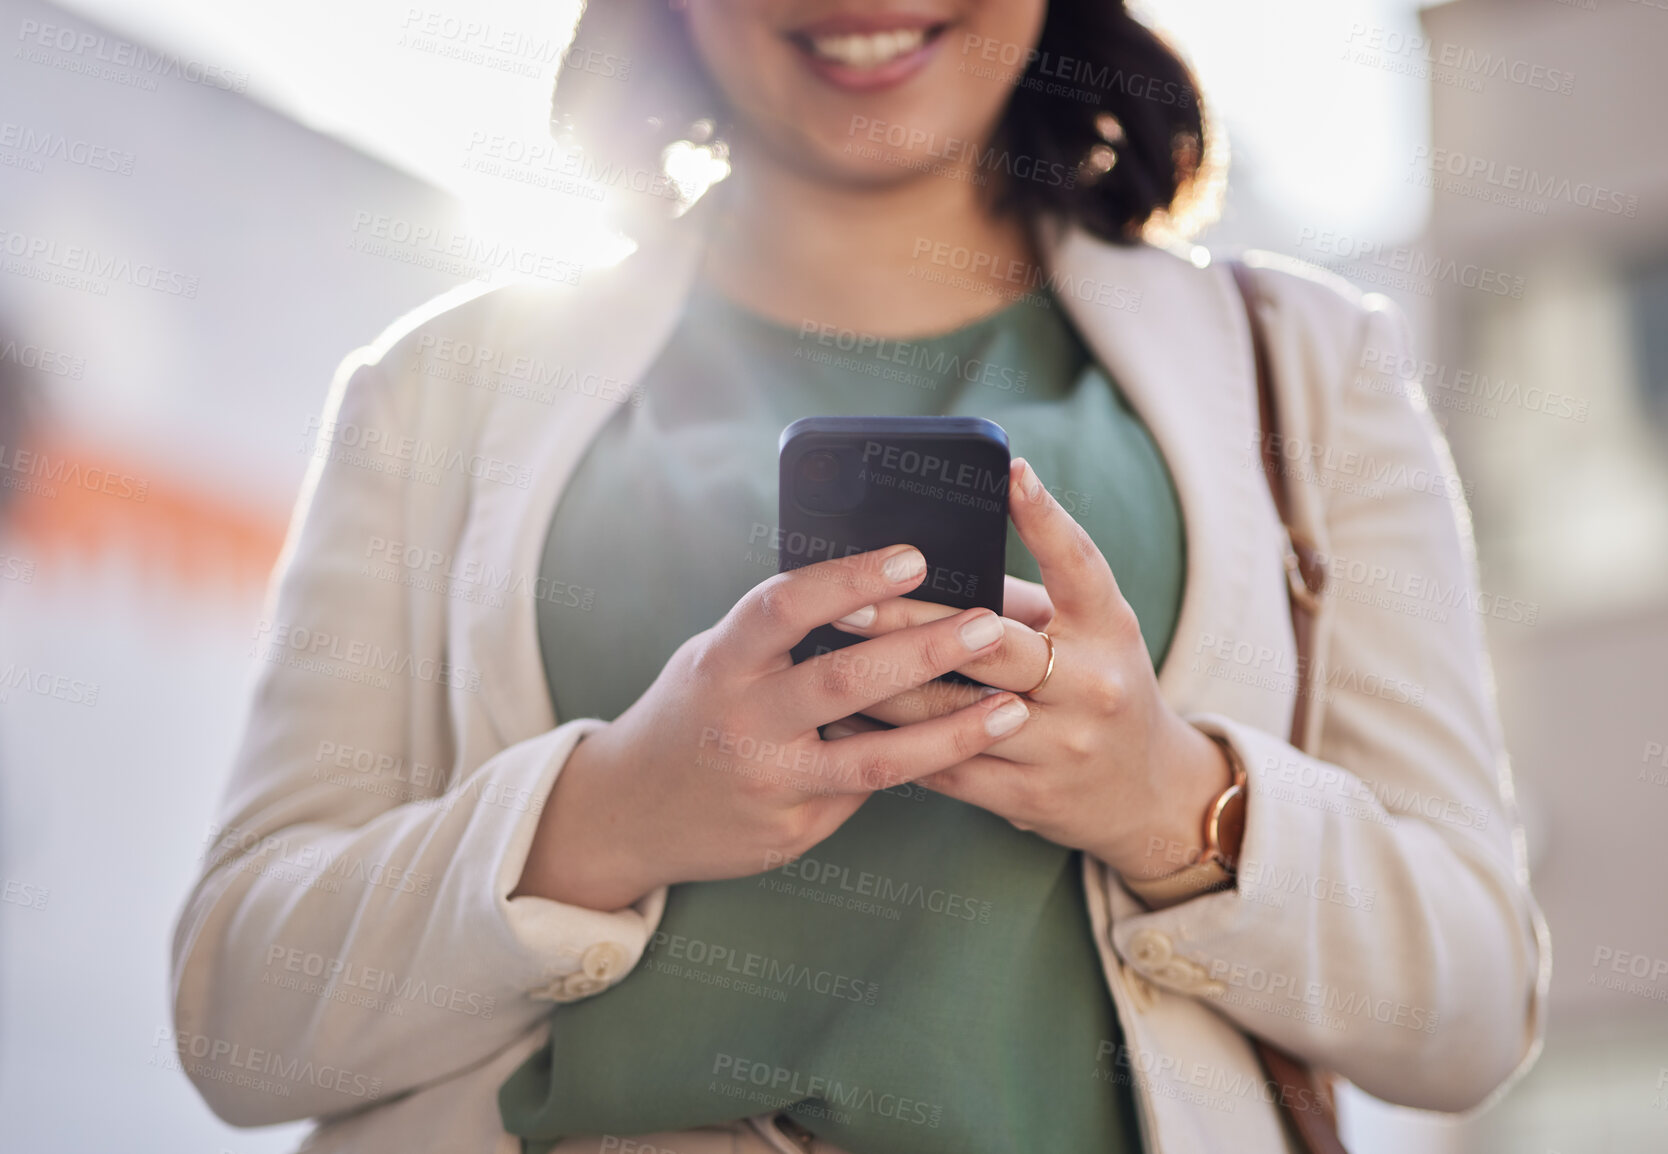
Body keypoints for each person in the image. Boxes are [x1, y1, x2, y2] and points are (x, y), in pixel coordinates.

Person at [171, 2, 1547, 1151]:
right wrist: (603, 817)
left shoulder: (1309, 370)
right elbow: (238, 1008)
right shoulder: (435, 391)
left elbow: (1471, 1004)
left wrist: (1168, 800)